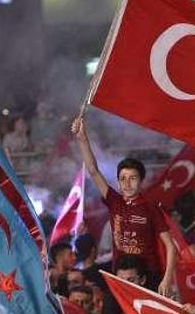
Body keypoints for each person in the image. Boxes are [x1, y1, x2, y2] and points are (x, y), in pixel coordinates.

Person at [73, 117, 175, 296]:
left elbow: (170, 246)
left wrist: (167, 279)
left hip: (149, 276)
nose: (127, 184)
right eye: (123, 179)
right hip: (119, 276)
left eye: (133, 178)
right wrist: (82, 139)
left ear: (142, 181)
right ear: (118, 184)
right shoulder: (114, 201)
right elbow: (93, 170)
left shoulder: (151, 208)